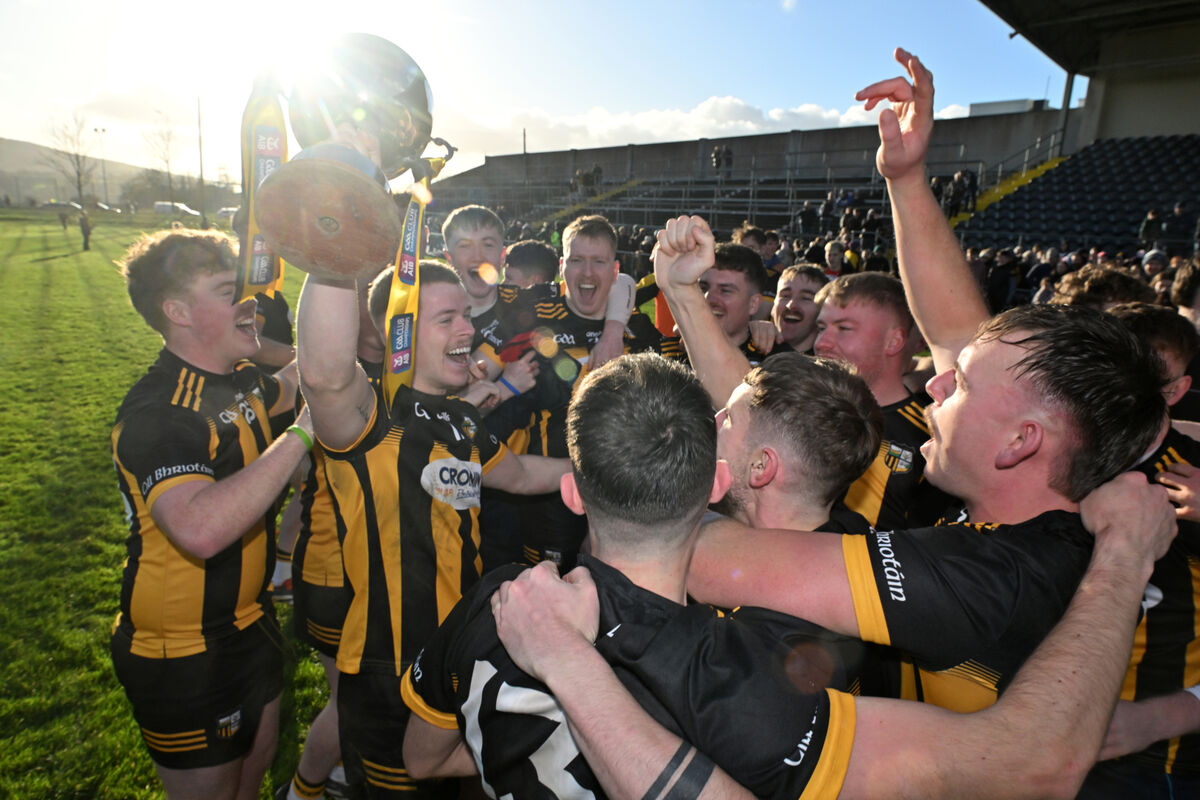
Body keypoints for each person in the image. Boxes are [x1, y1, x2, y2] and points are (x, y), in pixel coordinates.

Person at [404, 354, 1177, 800]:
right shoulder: (753, 682)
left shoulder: (503, 603)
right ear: (712, 482)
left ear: (574, 492)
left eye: (731, 415)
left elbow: (425, 759)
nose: (941, 385)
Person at [676, 47, 1168, 713]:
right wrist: (906, 179)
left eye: (957, 384)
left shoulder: (988, 580)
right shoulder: (1044, 520)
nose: (934, 383)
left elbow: (708, 562)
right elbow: (960, 330)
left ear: (1021, 441)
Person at [295, 258, 571, 799]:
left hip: (456, 659)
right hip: (386, 673)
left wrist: (602, 472)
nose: (468, 329)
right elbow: (324, 374)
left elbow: (517, 475)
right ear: (399, 331)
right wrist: (330, 237)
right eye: (447, 319)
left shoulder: (459, 417)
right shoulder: (370, 414)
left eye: (466, 315)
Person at [109, 228, 310, 800]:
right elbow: (198, 529)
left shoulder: (239, 383)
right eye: (229, 293)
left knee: (254, 772)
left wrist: (253, 333)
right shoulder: (157, 415)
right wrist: (303, 432)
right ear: (177, 311)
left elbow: (311, 368)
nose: (249, 304)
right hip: (181, 649)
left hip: (251, 619)